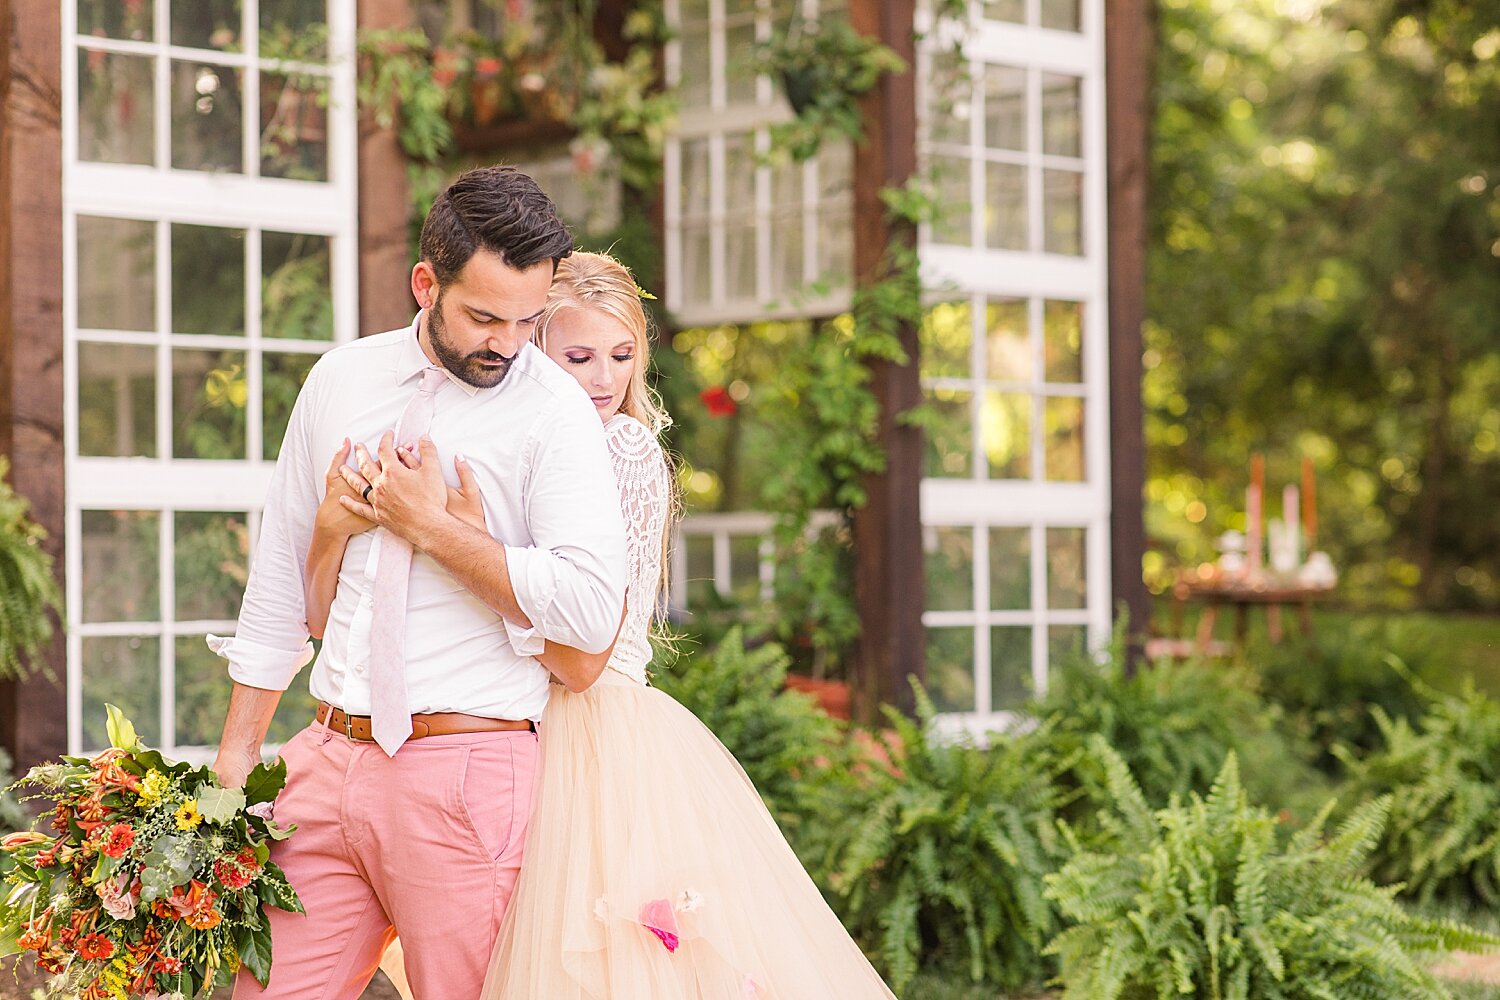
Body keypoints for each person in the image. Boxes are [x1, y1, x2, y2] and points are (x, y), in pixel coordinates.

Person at [328, 252, 898, 999]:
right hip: (506, 717)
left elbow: (581, 653)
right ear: (533, 352)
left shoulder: (623, 451)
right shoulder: (523, 444)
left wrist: (481, 570)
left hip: (592, 732)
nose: (602, 378)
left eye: (621, 356)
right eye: (579, 356)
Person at [208, 167, 628, 999]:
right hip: (324, 762)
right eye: (483, 316)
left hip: (467, 772)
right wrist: (238, 752)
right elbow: (279, 578)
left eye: (527, 319)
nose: (507, 343)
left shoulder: (556, 415)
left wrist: (429, 527)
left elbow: (587, 609)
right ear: (425, 284)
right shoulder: (341, 380)